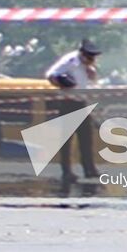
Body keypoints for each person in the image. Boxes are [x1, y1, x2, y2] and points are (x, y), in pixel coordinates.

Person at [45, 39, 101, 185]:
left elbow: (92, 82)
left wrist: (91, 73)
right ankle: (66, 171)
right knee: (67, 140)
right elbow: (51, 75)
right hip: (68, 103)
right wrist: (61, 82)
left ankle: (89, 168)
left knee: (86, 139)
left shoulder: (88, 67)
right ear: (82, 54)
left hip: (82, 103)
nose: (91, 60)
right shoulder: (70, 61)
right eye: (89, 57)